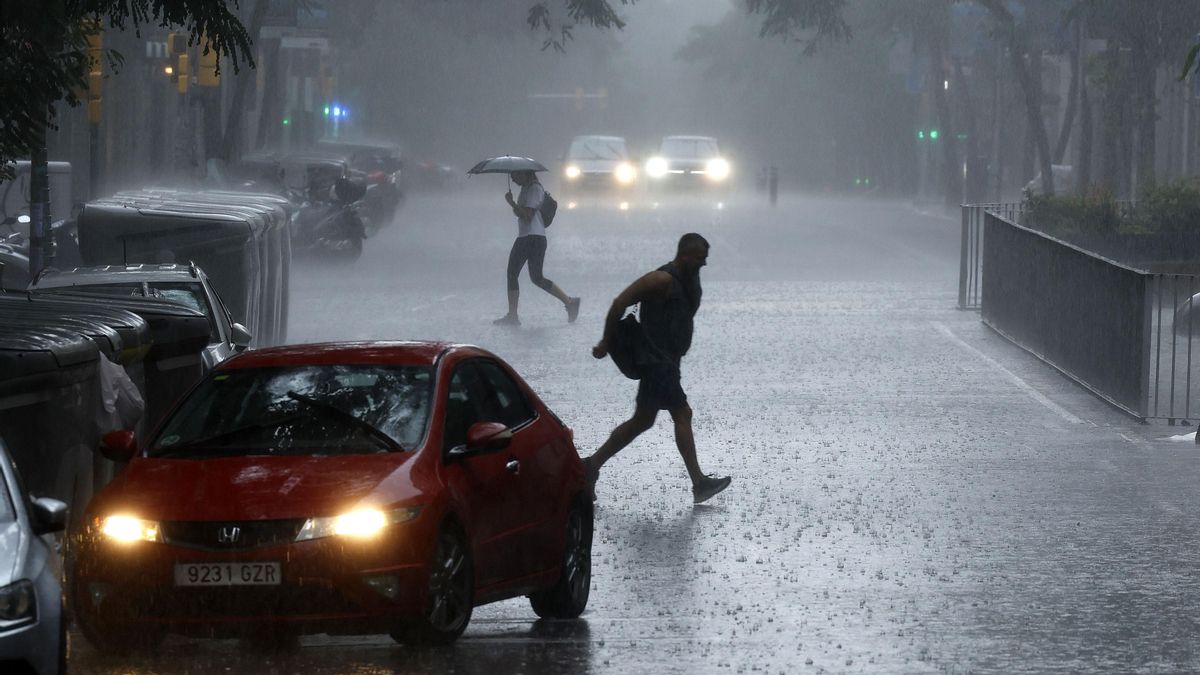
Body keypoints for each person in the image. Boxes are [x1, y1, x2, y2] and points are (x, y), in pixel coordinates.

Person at [585, 233, 731, 504]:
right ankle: (699, 483)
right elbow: (620, 302)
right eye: (700, 259)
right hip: (656, 362)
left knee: (642, 421)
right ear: (685, 255)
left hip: (668, 362)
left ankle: (590, 468)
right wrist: (606, 341)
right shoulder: (660, 280)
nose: (703, 264)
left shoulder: (690, 280)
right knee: (682, 413)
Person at [493, 170, 580, 326]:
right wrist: (513, 204)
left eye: (515, 175)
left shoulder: (534, 189)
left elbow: (527, 215)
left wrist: (512, 203)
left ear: (525, 173)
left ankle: (513, 316)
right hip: (534, 238)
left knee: (512, 273)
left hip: (530, 238)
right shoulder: (527, 188)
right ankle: (570, 302)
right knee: (537, 278)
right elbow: (522, 214)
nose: (513, 179)